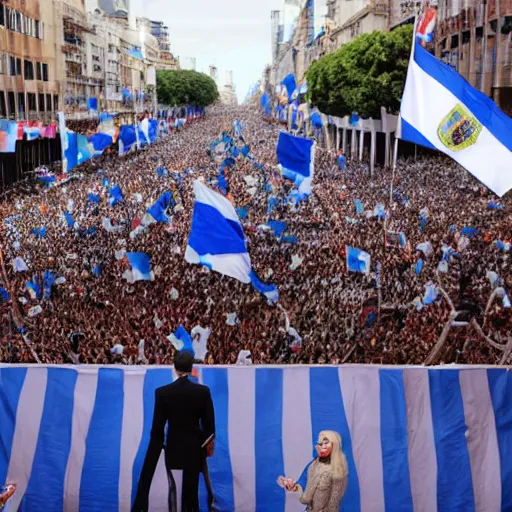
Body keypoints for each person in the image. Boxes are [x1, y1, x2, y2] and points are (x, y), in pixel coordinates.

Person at [132, 350, 215, 512]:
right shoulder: (203, 392)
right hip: (194, 449)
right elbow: (210, 428)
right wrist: (204, 448)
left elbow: (157, 428)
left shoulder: (162, 393)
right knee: (191, 494)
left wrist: (159, 448)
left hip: (173, 448)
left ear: (175, 368)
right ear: (191, 369)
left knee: (173, 489)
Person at [278, 430, 348, 511]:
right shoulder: (313, 464)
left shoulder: (338, 469)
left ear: (334, 445)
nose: (323, 446)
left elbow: (334, 499)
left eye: (326, 443)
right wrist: (293, 486)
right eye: (321, 443)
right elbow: (303, 482)